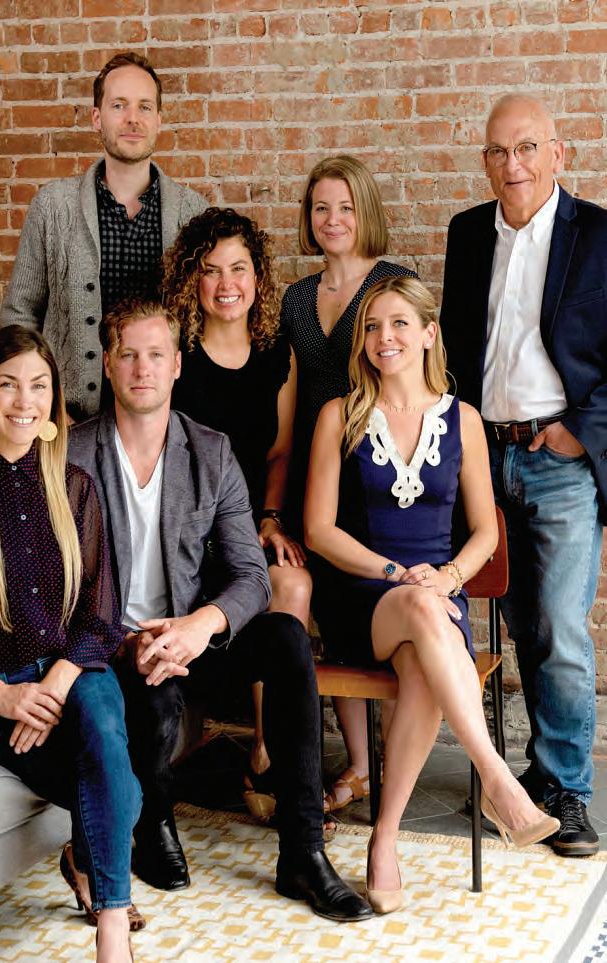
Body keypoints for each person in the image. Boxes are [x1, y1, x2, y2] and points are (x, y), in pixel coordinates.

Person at [67, 299, 373, 923]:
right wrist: (125, 641)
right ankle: (152, 824)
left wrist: (200, 625)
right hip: (109, 647)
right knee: (151, 694)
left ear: (177, 365)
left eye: (157, 355)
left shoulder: (209, 451)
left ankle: (303, 853)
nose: (143, 369)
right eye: (129, 354)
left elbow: (252, 576)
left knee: (286, 638)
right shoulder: (72, 455)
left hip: (192, 638)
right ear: (109, 363)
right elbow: (56, 586)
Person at [304, 275, 560, 912]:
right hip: (363, 599)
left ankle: (384, 839)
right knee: (422, 610)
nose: (383, 337)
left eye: (398, 323)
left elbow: (485, 532)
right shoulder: (340, 415)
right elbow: (318, 530)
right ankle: (496, 778)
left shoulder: (463, 420)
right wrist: (398, 572)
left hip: (437, 601)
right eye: (371, 326)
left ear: (428, 333)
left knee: (424, 654)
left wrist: (447, 577)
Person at [440, 93, 607, 857]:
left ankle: (568, 789)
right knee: (519, 624)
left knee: (561, 628)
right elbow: (456, 348)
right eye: (500, 152)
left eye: (529, 148)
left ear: (558, 154)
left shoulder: (597, 235)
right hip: (484, 456)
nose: (515, 165)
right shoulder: (468, 233)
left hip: (559, 462)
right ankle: (536, 775)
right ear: (485, 161)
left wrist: (579, 434)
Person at [0, 326, 141, 963]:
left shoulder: (75, 487)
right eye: (8, 384)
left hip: (71, 668)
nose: (24, 401)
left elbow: (102, 616)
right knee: (113, 783)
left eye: (38, 386)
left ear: (53, 398)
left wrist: (57, 683)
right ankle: (84, 863)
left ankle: (111, 928)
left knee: (105, 731)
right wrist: (1, 696)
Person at [281, 153, 416, 816]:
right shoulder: (295, 298)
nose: (332, 219)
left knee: (376, 611)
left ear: (366, 212)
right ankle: (359, 766)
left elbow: (415, 378)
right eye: (320, 207)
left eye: (345, 206)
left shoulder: (393, 284)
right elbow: (289, 395)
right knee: (331, 616)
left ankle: (395, 766)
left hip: (377, 470)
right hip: (314, 473)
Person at [163, 207, 312, 799]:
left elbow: (279, 452)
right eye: (210, 270)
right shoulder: (175, 355)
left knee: (292, 583)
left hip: (249, 524)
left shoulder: (278, 353)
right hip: (186, 532)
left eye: (239, 268)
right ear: (191, 281)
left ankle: (269, 753)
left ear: (258, 277)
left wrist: (269, 520)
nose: (227, 284)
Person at [0, 50, 207, 422]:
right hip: (70, 420)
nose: (133, 118)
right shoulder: (53, 207)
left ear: (159, 120)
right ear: (97, 117)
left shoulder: (194, 214)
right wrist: (44, 407)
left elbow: (209, 323)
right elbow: (20, 315)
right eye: (119, 105)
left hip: (165, 422)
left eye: (145, 107)